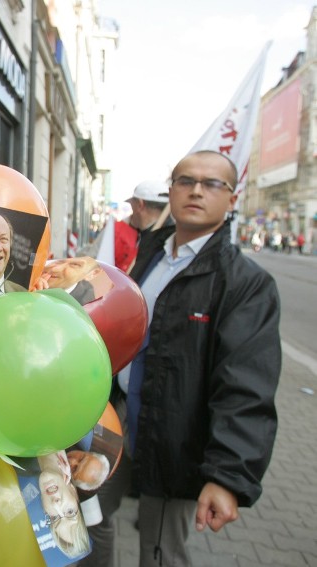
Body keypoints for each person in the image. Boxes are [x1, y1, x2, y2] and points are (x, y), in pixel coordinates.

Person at [91, 150, 282, 567]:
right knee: (84, 514)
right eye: (185, 181)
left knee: (159, 552)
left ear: (232, 199)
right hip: (117, 419)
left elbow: (244, 387)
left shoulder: (245, 284)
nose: (196, 190)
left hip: (175, 441)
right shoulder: (152, 254)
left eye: (212, 183)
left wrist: (227, 477)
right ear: (171, 190)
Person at [38, 452, 90, 559]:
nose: (56, 504)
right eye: (70, 512)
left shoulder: (14, 460)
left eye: (55, 518)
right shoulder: (78, 439)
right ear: (75, 493)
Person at [114, 180, 170, 272]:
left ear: (140, 205)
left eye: (132, 205)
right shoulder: (135, 233)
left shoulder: (164, 242)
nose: (131, 214)